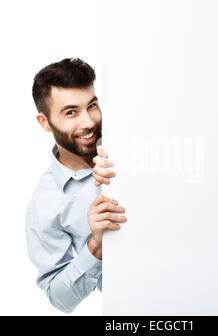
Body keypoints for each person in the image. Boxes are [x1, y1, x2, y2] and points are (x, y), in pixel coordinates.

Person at [25, 58, 127, 313]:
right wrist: (96, 245)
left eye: (91, 106)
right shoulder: (45, 205)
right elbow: (60, 299)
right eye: (71, 112)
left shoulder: (130, 140)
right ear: (44, 122)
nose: (88, 122)